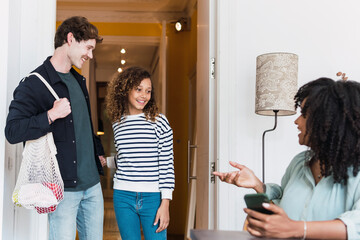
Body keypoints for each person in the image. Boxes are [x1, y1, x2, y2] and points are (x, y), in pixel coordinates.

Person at [213, 77, 360, 239]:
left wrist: (296, 229)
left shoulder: (357, 173)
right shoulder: (300, 162)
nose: (296, 121)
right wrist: (257, 184)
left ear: (329, 122)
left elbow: (356, 226)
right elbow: (283, 199)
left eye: (304, 114)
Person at [5, 16, 107, 240]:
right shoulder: (34, 83)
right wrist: (51, 115)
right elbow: (12, 131)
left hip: (92, 187)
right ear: (70, 39)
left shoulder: (78, 80)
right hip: (63, 190)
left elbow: (84, 124)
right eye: (88, 48)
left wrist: (96, 150)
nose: (90, 55)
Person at [106, 66, 174, 240]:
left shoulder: (159, 122)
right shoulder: (117, 122)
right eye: (138, 89)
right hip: (123, 195)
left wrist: (165, 203)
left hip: (153, 197)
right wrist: (107, 161)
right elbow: (127, 157)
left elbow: (166, 164)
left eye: (148, 91)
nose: (144, 95)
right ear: (125, 89)